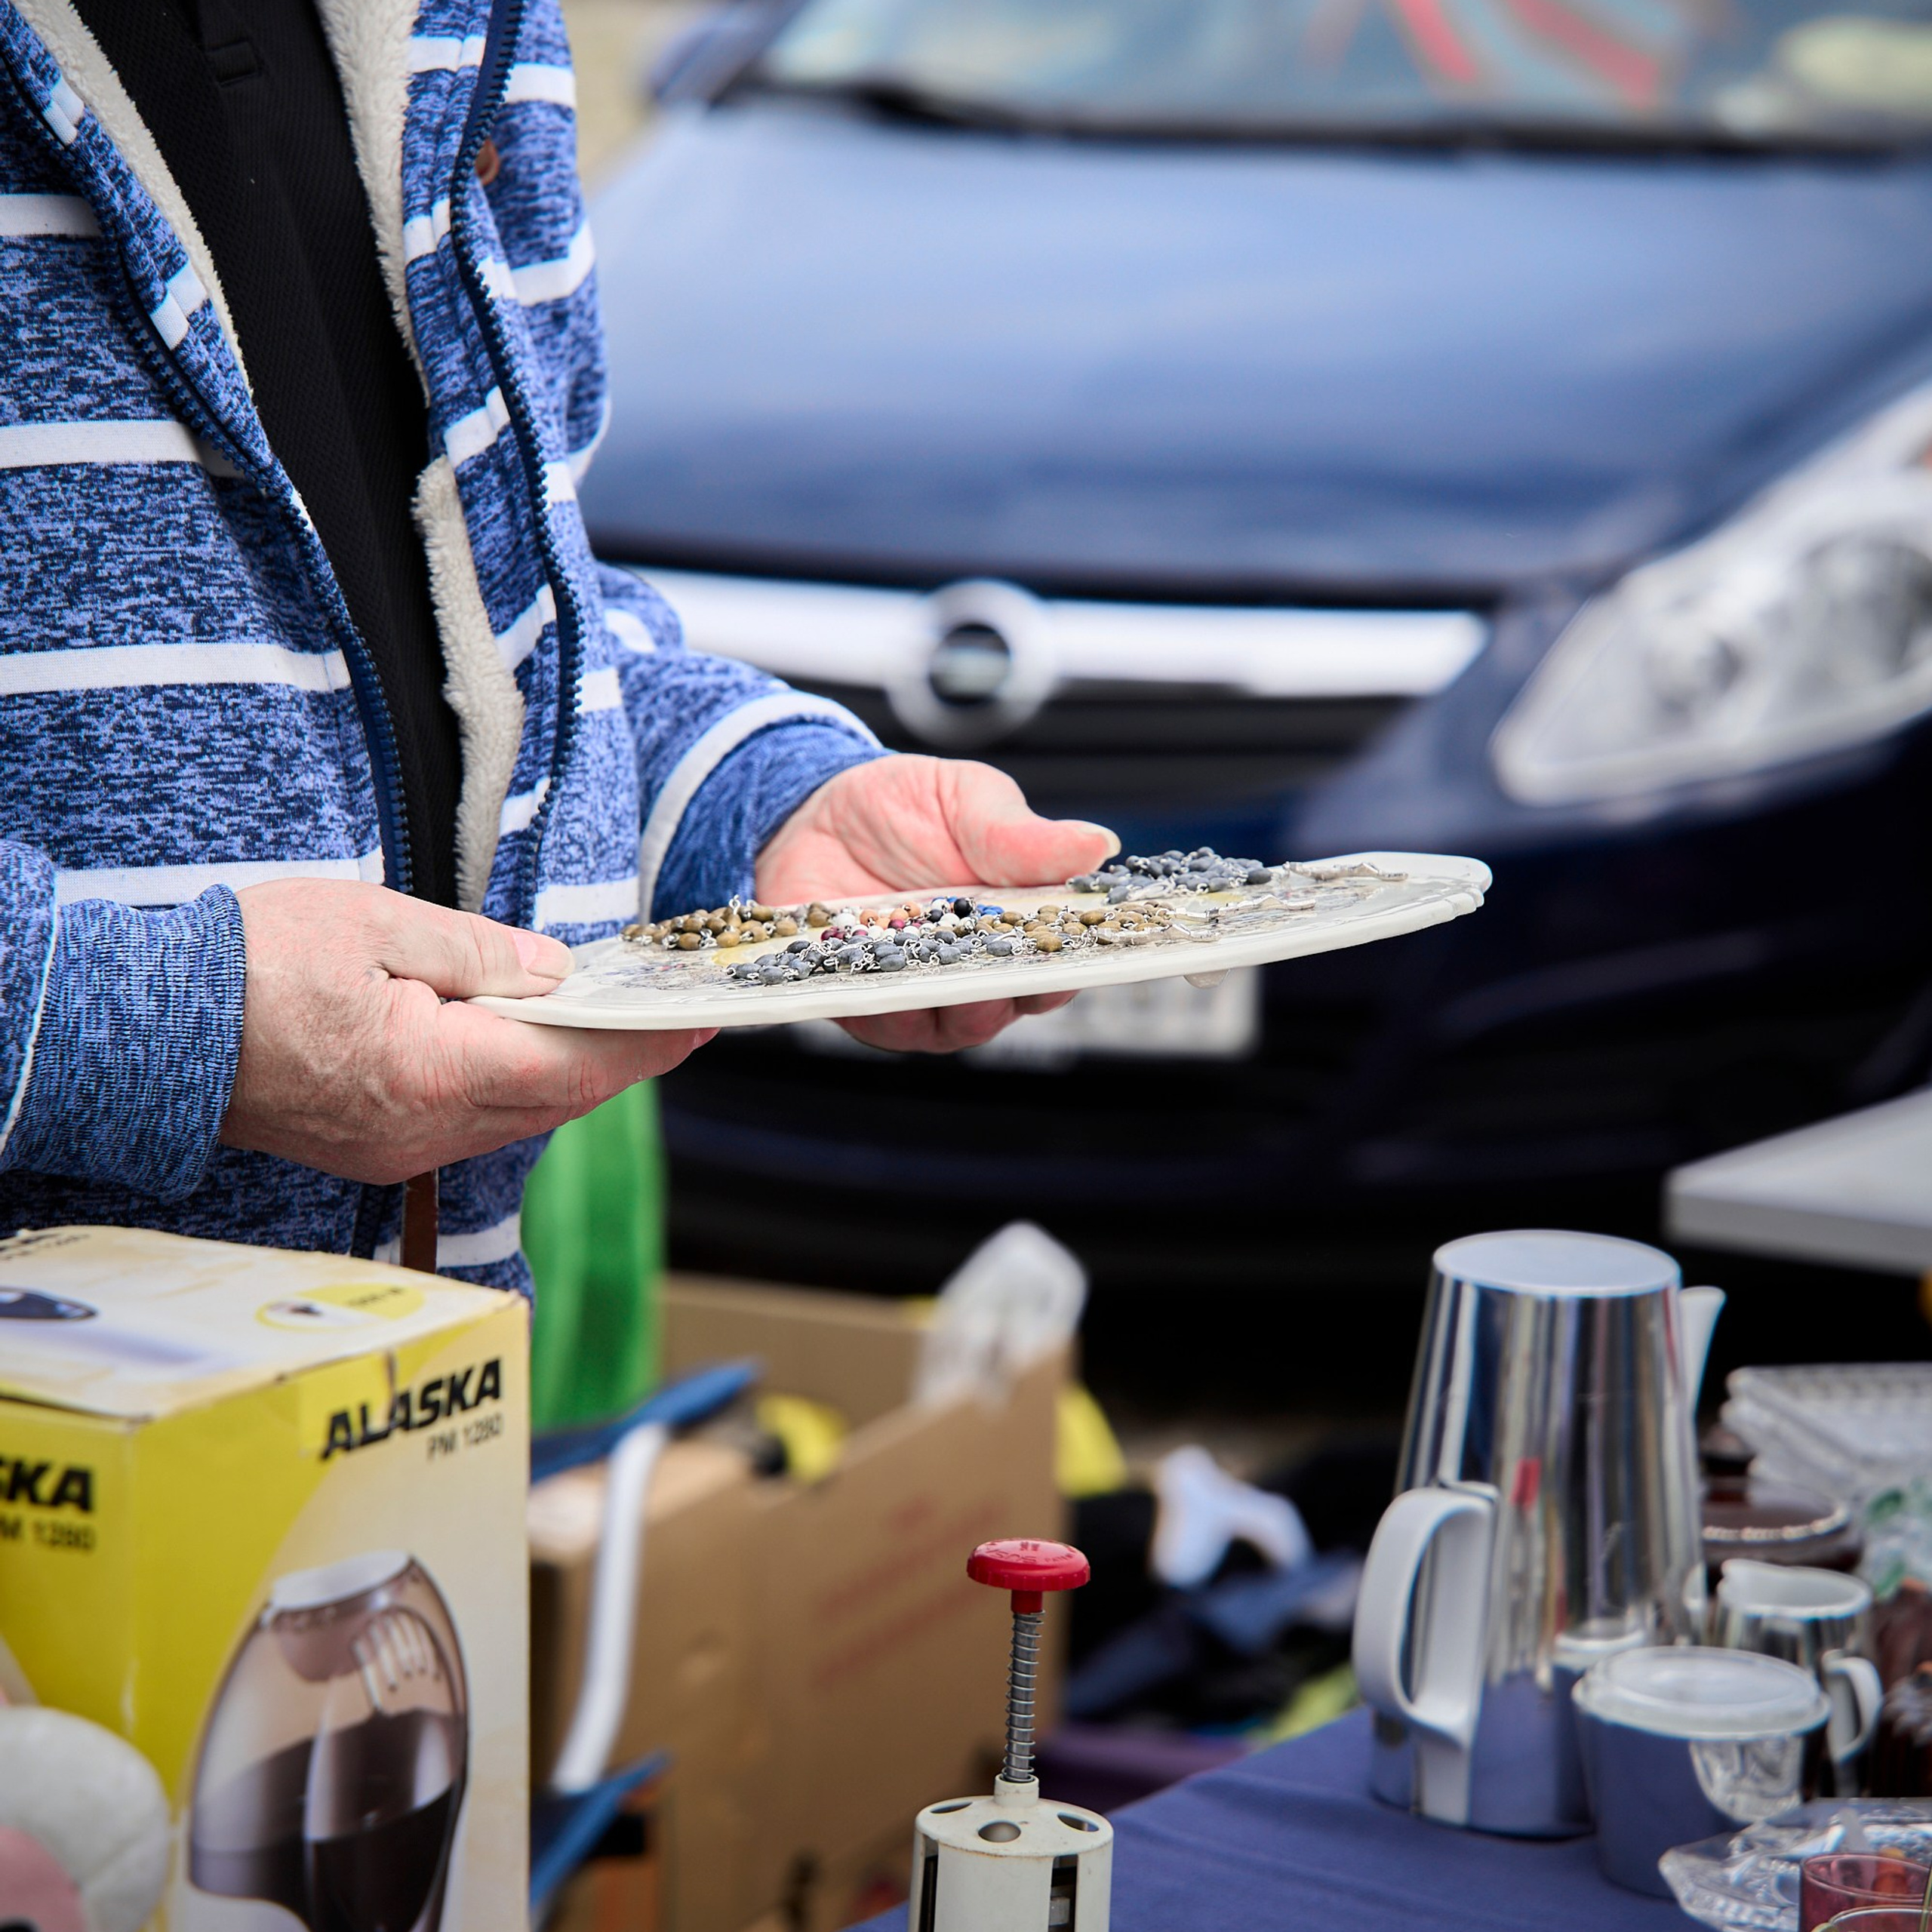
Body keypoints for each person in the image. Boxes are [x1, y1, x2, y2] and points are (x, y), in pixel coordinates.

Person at [0, 0, 1112, 1285]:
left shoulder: (468, 29)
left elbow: (514, 616)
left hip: (408, 1403)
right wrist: (161, 1028)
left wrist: (756, 802)